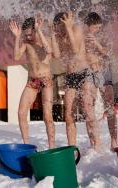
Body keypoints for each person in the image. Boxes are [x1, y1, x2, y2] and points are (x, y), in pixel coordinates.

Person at [52, 12, 102, 151]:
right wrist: (52, 35)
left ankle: (96, 144)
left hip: (85, 73)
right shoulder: (57, 36)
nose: (60, 30)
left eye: (62, 26)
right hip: (70, 76)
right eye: (58, 27)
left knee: (87, 108)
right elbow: (56, 55)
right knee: (68, 113)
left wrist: (68, 28)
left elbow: (74, 50)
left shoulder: (77, 29)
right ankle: (71, 148)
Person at [9, 15, 55, 149]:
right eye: (26, 35)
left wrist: (39, 30)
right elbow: (17, 57)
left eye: (30, 34)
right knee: (21, 112)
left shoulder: (44, 40)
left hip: (45, 80)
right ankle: (26, 145)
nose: (28, 37)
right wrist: (17, 37)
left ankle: (51, 146)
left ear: (35, 30)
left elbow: (49, 51)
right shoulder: (26, 44)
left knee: (47, 115)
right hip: (32, 81)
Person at [82, 12, 118, 150]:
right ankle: (94, 141)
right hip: (88, 72)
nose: (98, 30)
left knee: (109, 107)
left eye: (99, 27)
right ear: (87, 26)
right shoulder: (82, 37)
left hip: (104, 71)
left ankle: (114, 140)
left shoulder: (102, 36)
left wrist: (96, 43)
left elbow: (107, 53)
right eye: (95, 27)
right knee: (88, 107)